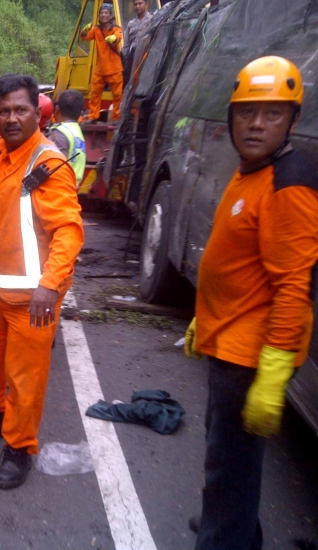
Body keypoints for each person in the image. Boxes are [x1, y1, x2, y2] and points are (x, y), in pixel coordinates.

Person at [184, 56, 318, 550]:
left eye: (273, 113)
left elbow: (293, 285)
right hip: (228, 343)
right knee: (228, 462)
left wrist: (275, 371)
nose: (257, 123)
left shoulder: (290, 184)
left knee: (230, 462)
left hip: (249, 357)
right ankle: (234, 523)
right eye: (247, 112)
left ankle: (226, 537)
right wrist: (205, 318)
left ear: (293, 121)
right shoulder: (254, 171)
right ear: (231, 117)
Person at [0, 74, 84, 490]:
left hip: (33, 299)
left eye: (20, 110)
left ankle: (20, 445)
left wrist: (50, 284)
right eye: (4, 110)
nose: (11, 118)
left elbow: (68, 230)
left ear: (37, 114)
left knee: (25, 379)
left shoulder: (45, 164)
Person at [80, 3, 123, 122]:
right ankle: (93, 116)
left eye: (106, 13)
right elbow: (84, 37)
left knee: (117, 95)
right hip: (100, 68)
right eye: (101, 13)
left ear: (110, 16)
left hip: (114, 67)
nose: (103, 15)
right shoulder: (96, 30)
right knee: (94, 94)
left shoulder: (116, 29)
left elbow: (118, 36)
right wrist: (84, 31)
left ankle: (117, 117)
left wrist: (114, 39)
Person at [50, 89, 87, 187]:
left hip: (58, 189)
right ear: (80, 114)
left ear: (57, 109)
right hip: (71, 187)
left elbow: (54, 167)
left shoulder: (59, 132)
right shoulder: (77, 131)